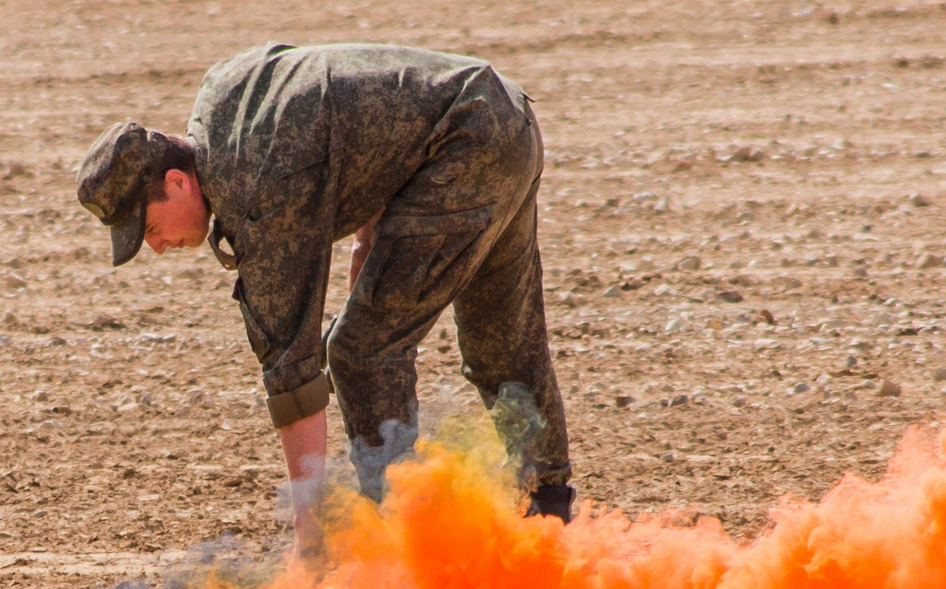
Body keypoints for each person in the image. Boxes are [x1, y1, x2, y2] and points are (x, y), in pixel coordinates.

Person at [77, 43, 575, 557]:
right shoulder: (222, 93)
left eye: (152, 229)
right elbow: (340, 114)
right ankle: (549, 516)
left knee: (363, 353)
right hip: (501, 113)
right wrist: (369, 237)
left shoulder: (253, 195)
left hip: (463, 144)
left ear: (177, 182)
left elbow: (291, 371)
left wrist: (309, 547)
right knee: (503, 339)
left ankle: (404, 545)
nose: (157, 246)